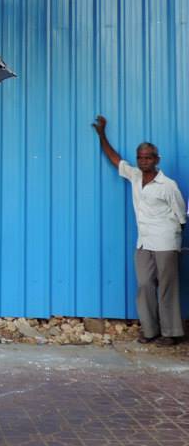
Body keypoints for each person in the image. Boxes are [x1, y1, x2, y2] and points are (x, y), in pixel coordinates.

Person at [92, 115, 186, 345]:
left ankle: (171, 333)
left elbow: (181, 216)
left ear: (157, 159)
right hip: (143, 242)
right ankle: (150, 330)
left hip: (165, 242)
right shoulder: (135, 176)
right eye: (140, 157)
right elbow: (115, 159)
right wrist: (102, 135)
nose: (144, 161)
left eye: (148, 157)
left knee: (167, 288)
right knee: (144, 285)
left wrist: (174, 240)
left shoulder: (168, 185)